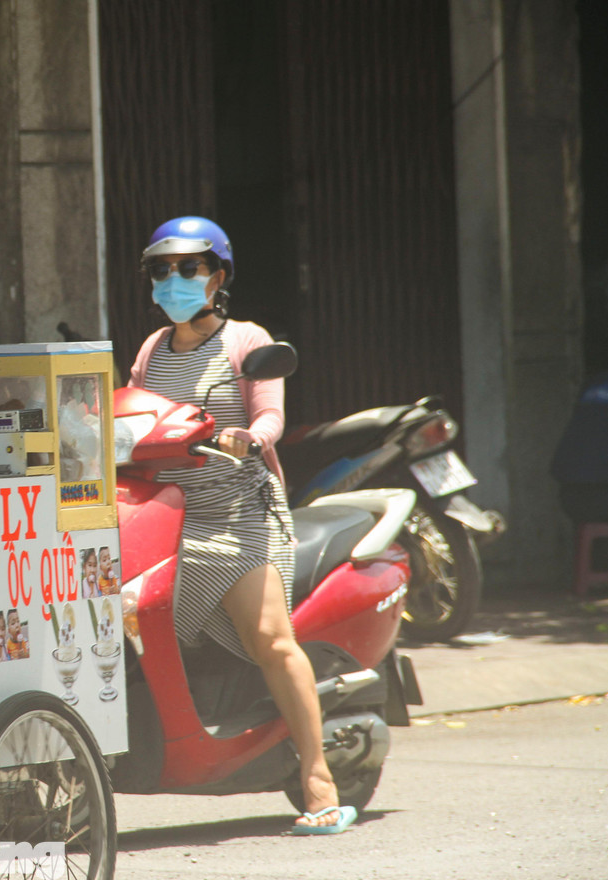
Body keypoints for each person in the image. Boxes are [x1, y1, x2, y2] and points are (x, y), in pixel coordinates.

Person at [127, 216, 352, 834]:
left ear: (218, 276)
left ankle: (316, 775)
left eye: (188, 268)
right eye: (161, 270)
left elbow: (271, 414)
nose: (173, 280)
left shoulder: (246, 340)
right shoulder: (150, 350)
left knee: (272, 642)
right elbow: (133, 411)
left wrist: (249, 439)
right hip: (166, 516)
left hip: (238, 513)